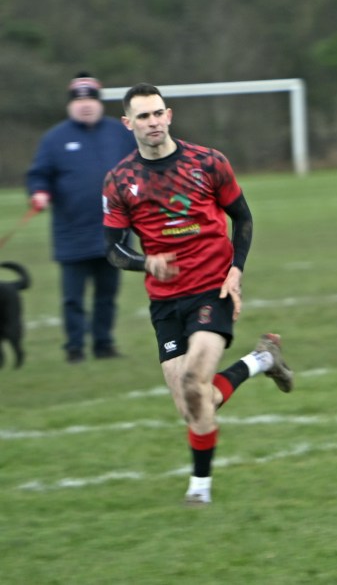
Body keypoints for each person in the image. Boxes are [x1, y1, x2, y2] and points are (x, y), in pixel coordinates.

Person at [102, 83, 293, 506]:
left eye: (158, 113)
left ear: (169, 115)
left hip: (211, 289)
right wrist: (145, 262)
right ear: (128, 123)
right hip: (165, 301)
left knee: (194, 382)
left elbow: (242, 219)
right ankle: (261, 360)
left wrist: (236, 270)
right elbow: (113, 250)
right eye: (143, 116)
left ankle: (199, 489)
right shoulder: (120, 181)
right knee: (192, 405)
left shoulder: (208, 162)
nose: (153, 122)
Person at [26, 72, 138, 363]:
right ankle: (74, 348)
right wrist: (39, 192)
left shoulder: (120, 133)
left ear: (99, 103)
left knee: (107, 295)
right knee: (73, 298)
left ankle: (104, 345)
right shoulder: (54, 138)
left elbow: (141, 166)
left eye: (91, 99)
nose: (85, 105)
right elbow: (39, 174)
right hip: (72, 234)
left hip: (114, 232)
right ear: (70, 105)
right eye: (79, 100)